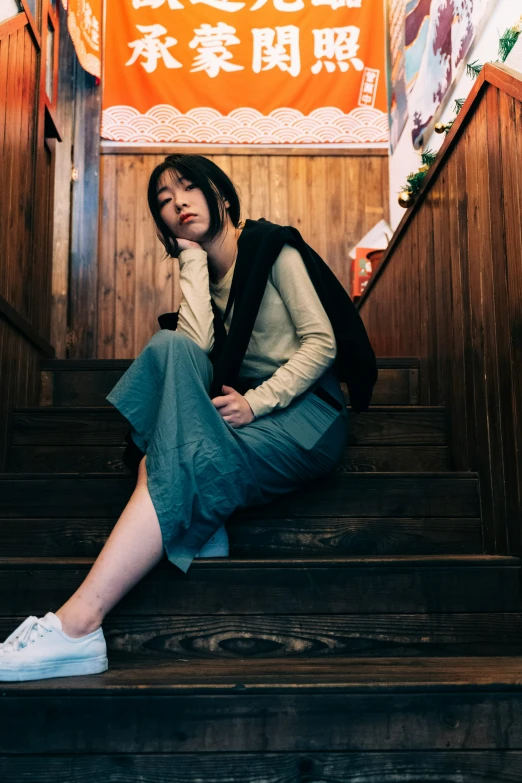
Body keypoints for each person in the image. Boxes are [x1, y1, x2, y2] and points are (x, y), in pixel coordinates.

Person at [0, 154, 363, 682]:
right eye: (164, 202)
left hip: (306, 417)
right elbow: (193, 351)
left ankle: (79, 623)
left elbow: (322, 343)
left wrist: (258, 402)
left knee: (175, 452)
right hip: (245, 416)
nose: (178, 204)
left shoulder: (271, 249)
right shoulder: (201, 272)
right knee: (170, 349)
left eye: (188, 189)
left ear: (220, 195)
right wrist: (192, 262)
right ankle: (202, 518)